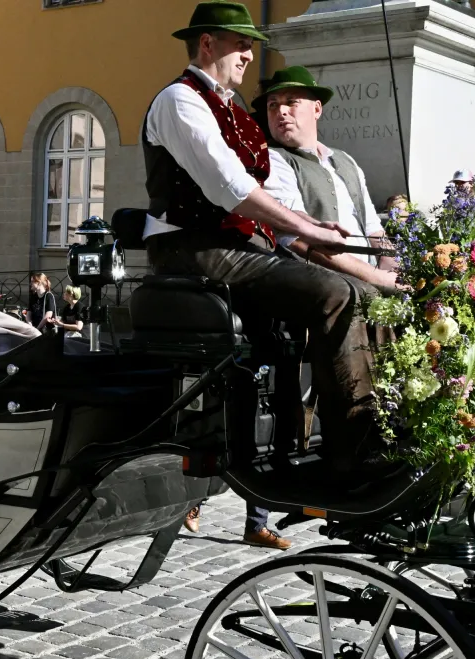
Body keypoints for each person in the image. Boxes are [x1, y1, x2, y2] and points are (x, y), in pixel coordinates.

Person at [143, 3, 383, 546]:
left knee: (353, 290)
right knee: (335, 292)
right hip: (190, 248)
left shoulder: (230, 110)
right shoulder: (182, 100)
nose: (250, 55)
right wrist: (308, 230)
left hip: (237, 245)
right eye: (239, 44)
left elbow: (257, 190)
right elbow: (227, 185)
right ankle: (350, 456)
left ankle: (341, 442)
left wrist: (306, 228)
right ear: (207, 45)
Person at [256, 65, 397, 291]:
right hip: (324, 282)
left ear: (317, 109)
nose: (280, 111)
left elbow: (374, 229)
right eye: (273, 105)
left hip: (371, 277)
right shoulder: (272, 160)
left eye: (291, 102)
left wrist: (395, 271)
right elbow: (294, 238)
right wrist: (374, 278)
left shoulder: (345, 160)